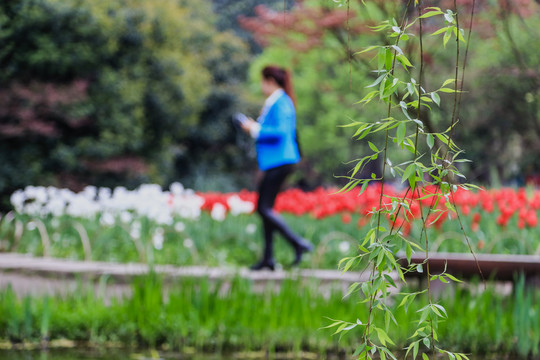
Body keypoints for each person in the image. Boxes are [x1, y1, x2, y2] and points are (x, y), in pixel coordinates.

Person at [241, 65, 314, 271]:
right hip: (276, 161)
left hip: (280, 161)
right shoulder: (278, 102)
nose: (261, 86)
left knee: (263, 208)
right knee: (266, 209)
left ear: (271, 81)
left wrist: (254, 128)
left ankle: (298, 243)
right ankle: (268, 258)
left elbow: (281, 131)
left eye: (263, 81)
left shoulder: (280, 102)